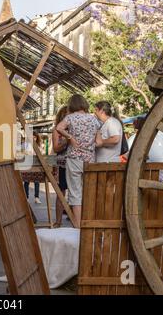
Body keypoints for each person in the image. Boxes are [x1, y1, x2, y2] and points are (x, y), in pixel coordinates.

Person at [56, 94, 100, 227]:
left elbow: (58, 128)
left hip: (74, 159)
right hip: (90, 160)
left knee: (75, 193)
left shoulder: (70, 117)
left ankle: (78, 226)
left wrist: (70, 137)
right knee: (88, 192)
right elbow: (98, 141)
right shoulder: (94, 120)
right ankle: (88, 223)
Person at [52, 106, 69, 227]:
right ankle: (58, 221)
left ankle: (74, 217)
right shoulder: (57, 130)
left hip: (74, 163)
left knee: (75, 193)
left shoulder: (75, 129)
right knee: (60, 193)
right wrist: (67, 140)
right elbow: (56, 148)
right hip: (62, 164)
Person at [23, 132, 42, 204]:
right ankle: (26, 198)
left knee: (37, 181)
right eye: (32, 137)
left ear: (37, 138)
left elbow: (40, 154)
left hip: (36, 166)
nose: (34, 139)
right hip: (28, 165)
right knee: (26, 181)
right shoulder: (26, 145)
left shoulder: (38, 146)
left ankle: (36, 197)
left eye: (35, 137)